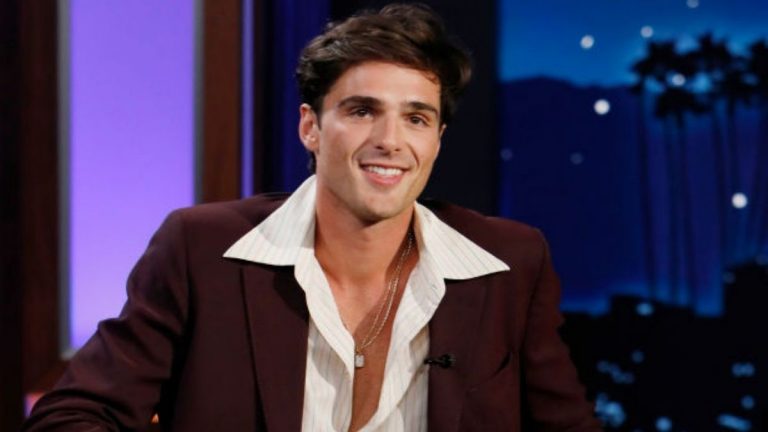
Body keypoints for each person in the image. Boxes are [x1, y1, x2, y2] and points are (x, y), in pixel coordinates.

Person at [23, 3, 602, 431]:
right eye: (362, 110)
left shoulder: (510, 263)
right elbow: (73, 416)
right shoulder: (200, 249)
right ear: (311, 127)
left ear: (437, 140)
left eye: (416, 118)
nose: (390, 140)